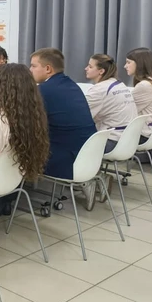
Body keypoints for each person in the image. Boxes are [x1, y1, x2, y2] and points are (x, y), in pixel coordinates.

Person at [30, 48, 98, 208]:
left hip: (66, 160)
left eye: (33, 66)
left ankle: (7, 193)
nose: (30, 70)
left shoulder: (44, 90)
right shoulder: (72, 85)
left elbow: (26, 122)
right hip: (88, 155)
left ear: (48, 69)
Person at [84, 53, 137, 152]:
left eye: (90, 67)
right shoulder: (119, 84)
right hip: (127, 141)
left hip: (111, 142)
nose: (86, 68)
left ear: (101, 71)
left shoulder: (99, 89)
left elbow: (81, 117)